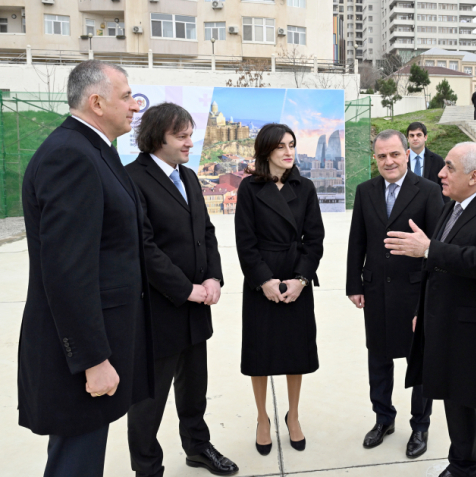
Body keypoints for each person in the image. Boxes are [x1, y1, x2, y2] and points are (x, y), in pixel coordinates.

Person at [18, 60, 154, 477]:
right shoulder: (71, 157)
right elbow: (66, 271)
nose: (135, 106)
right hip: (79, 356)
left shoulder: (93, 149)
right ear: (96, 102)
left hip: (98, 342)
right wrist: (93, 360)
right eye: (127, 96)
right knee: (76, 462)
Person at [387, 142, 476, 477]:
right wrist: (424, 308)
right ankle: (461, 466)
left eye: (449, 167)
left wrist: (429, 248)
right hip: (446, 326)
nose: (440, 173)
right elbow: (439, 267)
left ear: (475, 176)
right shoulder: (454, 206)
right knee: (454, 401)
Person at [125, 103, 238, 476]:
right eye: (182, 136)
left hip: (195, 306)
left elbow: (205, 230)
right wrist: (184, 288)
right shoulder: (133, 179)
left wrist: (212, 278)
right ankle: (147, 467)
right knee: (149, 400)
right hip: (158, 311)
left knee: (194, 391)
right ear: (159, 138)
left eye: (191, 133)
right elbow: (143, 247)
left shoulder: (188, 177)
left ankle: (197, 447)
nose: (191, 142)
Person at [346, 129, 444, 458]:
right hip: (375, 292)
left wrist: (431, 297)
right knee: (379, 360)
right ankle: (383, 418)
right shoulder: (365, 191)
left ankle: (420, 426)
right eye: (381, 156)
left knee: (419, 364)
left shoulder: (429, 192)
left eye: (394, 154)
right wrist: (354, 285)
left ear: (407, 154)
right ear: (375, 159)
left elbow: (436, 249)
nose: (388, 161)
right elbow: (356, 241)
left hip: (415, 293)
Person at [235, 123, 324, 456]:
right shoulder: (249, 189)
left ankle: (294, 415)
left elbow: (315, 240)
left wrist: (301, 280)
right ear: (266, 151)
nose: (289, 152)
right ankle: (262, 418)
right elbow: (245, 243)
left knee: (294, 353)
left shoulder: (306, 187)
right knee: (260, 355)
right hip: (262, 281)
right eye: (281, 147)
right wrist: (264, 281)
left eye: (292, 145)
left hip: (296, 278)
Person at [405, 122, 448, 201]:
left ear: (425, 137)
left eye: (419, 135)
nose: (415, 138)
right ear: (407, 138)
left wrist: (444, 211)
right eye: (412, 135)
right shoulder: (400, 160)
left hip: (431, 208)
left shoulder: (437, 161)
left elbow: (445, 189)